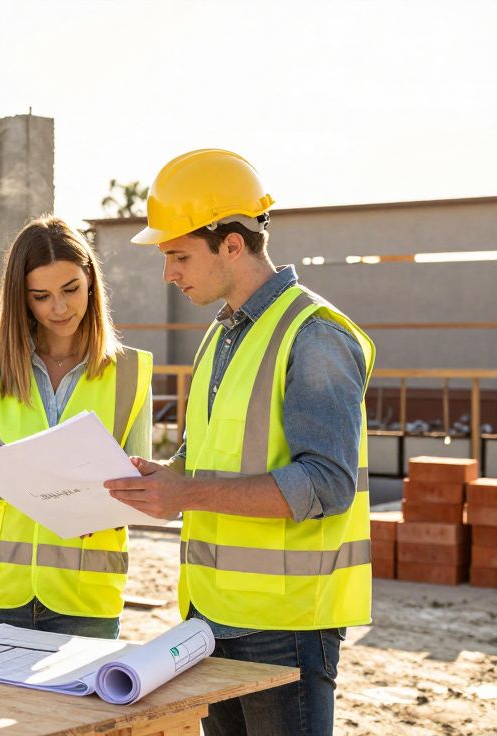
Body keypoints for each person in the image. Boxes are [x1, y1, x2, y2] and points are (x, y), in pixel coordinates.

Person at [105, 149, 373, 735]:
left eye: (178, 255)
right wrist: (164, 475)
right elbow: (206, 460)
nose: (169, 273)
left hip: (285, 628)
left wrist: (187, 492)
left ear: (232, 242)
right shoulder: (222, 336)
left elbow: (327, 485)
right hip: (211, 618)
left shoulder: (315, 335)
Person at [0, 215, 153, 639]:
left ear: (91, 281)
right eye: (41, 296)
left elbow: (141, 489)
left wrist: (105, 508)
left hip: (84, 599)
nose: (59, 308)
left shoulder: (132, 372)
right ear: (22, 299)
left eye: (71, 289)